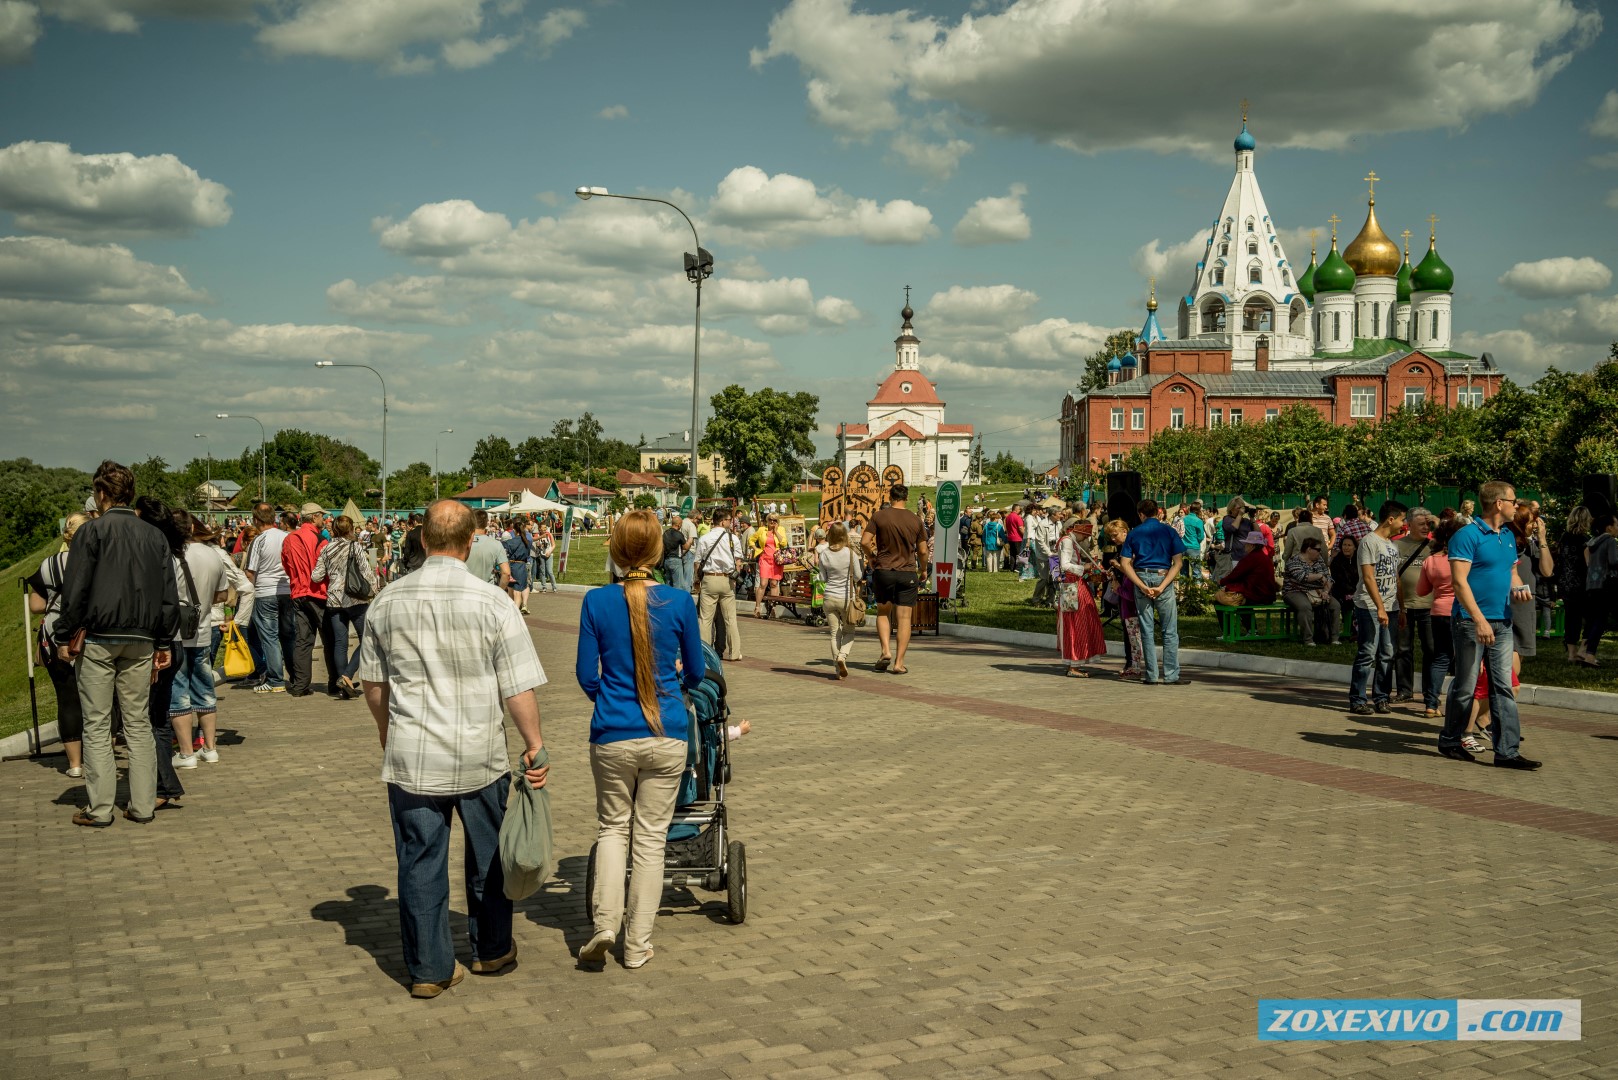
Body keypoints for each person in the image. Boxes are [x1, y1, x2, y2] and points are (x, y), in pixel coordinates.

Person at [358, 500, 547, 998]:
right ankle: (491, 949)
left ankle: (430, 968)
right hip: (479, 753)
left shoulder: (388, 601)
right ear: (470, 543)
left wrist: (385, 730)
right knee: (488, 855)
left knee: (420, 861)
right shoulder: (494, 602)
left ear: (422, 540)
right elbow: (517, 686)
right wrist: (535, 745)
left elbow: (373, 685)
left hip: (413, 753)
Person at [575, 510, 702, 970]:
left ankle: (604, 925)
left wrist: (610, 696)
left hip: (612, 733)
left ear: (615, 549)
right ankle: (638, 944)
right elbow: (699, 671)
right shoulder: (679, 601)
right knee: (650, 840)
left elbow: (585, 675)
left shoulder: (595, 601)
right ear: (658, 551)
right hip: (666, 733)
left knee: (613, 829)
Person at [53, 461, 179, 827]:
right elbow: (168, 595)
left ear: (102, 493)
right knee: (138, 722)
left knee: (96, 722)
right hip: (142, 638)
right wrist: (164, 640)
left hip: (98, 636)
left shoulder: (90, 533)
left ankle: (100, 807)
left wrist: (64, 635)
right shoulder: (154, 536)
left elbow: (74, 589)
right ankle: (142, 805)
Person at [1436, 481, 1541, 769]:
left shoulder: (1507, 536)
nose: (1516, 505)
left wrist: (1518, 589)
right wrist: (1479, 619)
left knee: (1503, 686)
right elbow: (1459, 583)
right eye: (1513, 501)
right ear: (1498, 503)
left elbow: (1511, 573)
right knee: (1466, 686)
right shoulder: (1467, 536)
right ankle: (1450, 740)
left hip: (1503, 622)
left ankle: (1506, 751)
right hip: (1471, 622)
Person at [27, 512, 93, 778]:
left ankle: (75, 763)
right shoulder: (96, 560)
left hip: (54, 635)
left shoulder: (48, 564)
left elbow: (35, 605)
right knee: (101, 696)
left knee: (67, 699)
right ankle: (102, 754)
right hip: (90, 632)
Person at [169, 512, 230, 771]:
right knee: (205, 688)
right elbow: (223, 594)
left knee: (178, 690)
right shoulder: (212, 554)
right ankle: (210, 748)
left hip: (175, 632)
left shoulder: (170, 556)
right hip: (204, 628)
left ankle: (186, 752)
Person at [862, 483, 929, 675]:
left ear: (890, 497)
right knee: (904, 617)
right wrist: (923, 570)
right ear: (906, 498)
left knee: (883, 612)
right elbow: (923, 550)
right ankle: (899, 663)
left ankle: (885, 651)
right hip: (907, 572)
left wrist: (872, 558)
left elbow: (865, 542)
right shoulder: (916, 520)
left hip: (883, 570)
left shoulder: (879, 516)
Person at [1347, 500, 1406, 715]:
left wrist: (1402, 608)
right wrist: (1380, 608)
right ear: (1391, 519)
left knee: (1387, 654)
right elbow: (1369, 578)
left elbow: (1396, 578)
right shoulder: (1369, 542)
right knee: (1367, 652)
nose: (1403, 524)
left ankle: (1382, 697)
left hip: (1392, 606)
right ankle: (1357, 699)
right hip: (1370, 606)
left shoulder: (1392, 545)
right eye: (1401, 519)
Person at [1119, 499, 1186, 686]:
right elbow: (1178, 562)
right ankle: (1171, 675)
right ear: (1158, 512)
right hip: (1163, 577)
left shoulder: (1134, 533)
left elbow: (1125, 563)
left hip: (1141, 577)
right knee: (1170, 630)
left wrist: (1140, 584)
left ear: (1140, 514)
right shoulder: (1169, 531)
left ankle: (1151, 675)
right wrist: (1163, 585)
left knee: (1147, 630)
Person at [311, 514, 377, 700]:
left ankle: (343, 684)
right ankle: (347, 676)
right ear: (350, 529)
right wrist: (374, 590)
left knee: (340, 643)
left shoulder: (326, 549)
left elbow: (316, 576)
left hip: (333, 600)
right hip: (355, 599)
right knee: (367, 638)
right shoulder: (355, 547)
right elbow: (366, 571)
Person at [282, 503, 337, 698]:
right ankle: (335, 683)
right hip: (318, 593)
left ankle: (300, 685)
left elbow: (287, 566)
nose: (324, 520)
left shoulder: (289, 539)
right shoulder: (319, 539)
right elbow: (327, 568)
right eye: (321, 516)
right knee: (329, 639)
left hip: (298, 593)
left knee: (303, 640)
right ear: (313, 518)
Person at [243, 502, 292, 693]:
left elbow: (251, 572)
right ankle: (295, 675)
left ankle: (275, 679)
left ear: (256, 520)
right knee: (288, 636)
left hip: (265, 592)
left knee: (270, 637)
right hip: (286, 591)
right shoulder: (287, 537)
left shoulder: (259, 540)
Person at [1415, 519, 1459, 719]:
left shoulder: (1431, 560)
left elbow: (1422, 591)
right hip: (1461, 612)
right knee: (1463, 660)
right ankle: (1461, 704)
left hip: (1438, 612)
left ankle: (1431, 704)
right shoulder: (1464, 558)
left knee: (1440, 658)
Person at [1392, 508, 1437, 704]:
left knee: (1431, 650)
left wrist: (1437, 522)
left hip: (1429, 606)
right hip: (1404, 606)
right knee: (1403, 650)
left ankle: (1430, 692)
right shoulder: (1397, 545)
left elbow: (1454, 539)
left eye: (1428, 524)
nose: (1425, 528)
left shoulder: (1435, 546)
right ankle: (1404, 690)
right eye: (1421, 524)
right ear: (1408, 525)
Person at [692, 505, 745, 661]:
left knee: (705, 619)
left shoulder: (704, 538)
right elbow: (738, 562)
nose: (731, 522)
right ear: (722, 522)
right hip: (727, 579)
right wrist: (735, 576)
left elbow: (697, 562)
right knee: (730, 619)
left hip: (709, 578)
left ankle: (704, 654)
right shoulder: (732, 538)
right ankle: (734, 653)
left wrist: (698, 579)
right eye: (729, 520)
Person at [1056, 518, 1106, 677]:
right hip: (1071, 586)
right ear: (1077, 529)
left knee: (1081, 621)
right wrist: (1084, 567)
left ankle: (1075, 662)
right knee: (1075, 623)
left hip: (1074, 584)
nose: (1086, 537)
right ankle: (1073, 664)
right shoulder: (1068, 542)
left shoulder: (1070, 542)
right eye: (1085, 534)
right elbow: (1064, 565)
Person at [817, 522, 863, 679]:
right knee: (849, 632)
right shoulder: (850, 554)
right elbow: (858, 576)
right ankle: (842, 656)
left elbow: (822, 578)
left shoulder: (824, 554)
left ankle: (838, 670)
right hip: (846, 598)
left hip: (829, 597)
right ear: (844, 536)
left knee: (834, 633)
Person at [1282, 538, 1338, 647]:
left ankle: (1333, 637)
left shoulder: (1319, 560)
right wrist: (1319, 576)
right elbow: (1302, 577)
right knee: (1304, 606)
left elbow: (1329, 578)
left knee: (1335, 605)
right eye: (1317, 549)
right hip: (1295, 591)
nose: (1320, 552)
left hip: (1318, 591)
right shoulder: (1294, 561)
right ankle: (1308, 639)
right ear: (1308, 549)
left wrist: (1326, 591)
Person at [1580, 512, 1618, 666]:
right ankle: (1590, 655)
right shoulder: (1610, 541)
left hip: (1592, 584)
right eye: (1616, 524)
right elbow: (1614, 561)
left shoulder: (1592, 542)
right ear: (1609, 527)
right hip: (1606, 585)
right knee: (1600, 621)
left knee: (1594, 619)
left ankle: (1584, 651)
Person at [1558, 507, 1593, 663]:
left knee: (1571, 618)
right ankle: (1582, 648)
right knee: (1592, 616)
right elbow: (1589, 564)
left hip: (1565, 582)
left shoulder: (1564, 537)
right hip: (1581, 583)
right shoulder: (1585, 540)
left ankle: (1571, 654)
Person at [1217, 530, 1278, 605]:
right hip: (1267, 596)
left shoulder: (1251, 558)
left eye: (1247, 543)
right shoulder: (1265, 558)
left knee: (1218, 599)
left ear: (1252, 545)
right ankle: (1247, 617)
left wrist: (1221, 582)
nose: (1245, 545)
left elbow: (1235, 574)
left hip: (1255, 596)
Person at [466, 510, 511, 590]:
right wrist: (499, 591)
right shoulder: (496, 544)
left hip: (464, 590)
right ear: (487, 523)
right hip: (487, 591)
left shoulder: (461, 543)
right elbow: (506, 573)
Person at [753, 513, 786, 619]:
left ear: (777, 522)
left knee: (773, 583)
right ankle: (757, 607)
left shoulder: (781, 529)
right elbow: (751, 540)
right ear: (767, 521)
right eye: (770, 520)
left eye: (775, 520)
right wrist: (756, 549)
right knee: (763, 583)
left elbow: (784, 543)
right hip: (765, 560)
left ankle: (772, 608)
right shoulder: (762, 530)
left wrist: (775, 531)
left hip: (776, 561)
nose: (772, 522)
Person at [1328, 534, 1359, 641]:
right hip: (1340, 592)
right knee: (1354, 602)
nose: (1346, 547)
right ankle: (1352, 632)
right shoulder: (1337, 561)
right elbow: (1338, 580)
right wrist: (1351, 593)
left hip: (1356, 591)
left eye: (1349, 545)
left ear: (1355, 547)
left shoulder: (1359, 560)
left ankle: (1357, 632)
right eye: (1344, 545)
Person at [1027, 505, 1057, 606]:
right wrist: (1049, 553)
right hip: (1044, 554)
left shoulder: (1059, 523)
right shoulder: (1043, 524)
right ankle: (1036, 599)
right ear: (1053, 515)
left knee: (1054, 578)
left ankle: (1050, 599)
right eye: (1059, 514)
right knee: (1044, 578)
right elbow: (1040, 541)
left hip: (1055, 553)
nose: (1062, 515)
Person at [503, 525, 532, 614]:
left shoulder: (512, 541)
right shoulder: (527, 541)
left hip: (511, 565)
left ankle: (513, 611)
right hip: (521, 565)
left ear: (515, 530)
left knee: (512, 590)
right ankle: (515, 612)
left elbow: (504, 549)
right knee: (517, 590)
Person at [661, 515, 690, 591]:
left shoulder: (665, 533)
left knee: (668, 584)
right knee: (678, 585)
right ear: (679, 524)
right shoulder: (679, 534)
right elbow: (685, 547)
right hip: (676, 560)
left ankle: (668, 600)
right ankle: (677, 601)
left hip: (666, 561)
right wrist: (690, 541)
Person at [1180, 500, 1206, 581]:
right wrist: (1197, 541)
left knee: (1183, 572)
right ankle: (1196, 592)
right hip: (1194, 547)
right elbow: (1201, 536)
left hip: (1183, 547)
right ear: (1198, 510)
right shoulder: (1199, 521)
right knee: (1196, 572)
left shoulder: (1183, 519)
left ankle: (1183, 592)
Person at [532, 522, 557, 593]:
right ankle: (544, 587)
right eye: (543, 527)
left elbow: (553, 545)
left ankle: (554, 587)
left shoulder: (549, 535)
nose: (545, 529)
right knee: (542, 571)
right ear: (540, 528)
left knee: (549, 571)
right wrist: (538, 546)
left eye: (545, 527)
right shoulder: (537, 535)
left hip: (549, 555)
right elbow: (536, 545)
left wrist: (549, 552)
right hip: (541, 555)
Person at [1004, 504, 1025, 573]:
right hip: (1018, 538)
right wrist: (1025, 535)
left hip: (1010, 537)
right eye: (1019, 510)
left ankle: (1012, 567)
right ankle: (1018, 568)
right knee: (1020, 553)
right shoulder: (1017, 517)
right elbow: (1020, 528)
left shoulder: (1008, 517)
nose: (1020, 511)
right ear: (1016, 509)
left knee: (1012, 553)